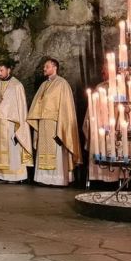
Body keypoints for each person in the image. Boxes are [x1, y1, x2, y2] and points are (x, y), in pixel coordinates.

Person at [27, 58, 81, 187]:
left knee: (56, 151)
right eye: (44, 67)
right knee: (43, 151)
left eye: (47, 66)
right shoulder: (44, 85)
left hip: (56, 124)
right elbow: (36, 104)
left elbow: (66, 108)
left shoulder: (62, 84)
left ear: (55, 67)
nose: (44, 69)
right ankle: (44, 178)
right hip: (43, 123)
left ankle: (58, 179)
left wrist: (61, 128)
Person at [0, 61, 31, 183]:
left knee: (12, 150)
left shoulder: (17, 85)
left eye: (2, 70)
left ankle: (13, 176)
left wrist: (18, 125)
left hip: (10, 124)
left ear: (9, 70)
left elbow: (21, 108)